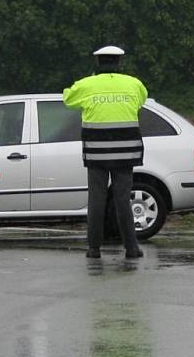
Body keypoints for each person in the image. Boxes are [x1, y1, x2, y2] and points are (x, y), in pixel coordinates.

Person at [63, 45, 148, 259]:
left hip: (96, 154)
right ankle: (131, 248)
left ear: (97, 62)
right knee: (122, 201)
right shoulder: (134, 84)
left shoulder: (86, 85)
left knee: (97, 200)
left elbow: (67, 99)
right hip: (125, 154)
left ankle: (94, 249)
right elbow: (141, 101)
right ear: (120, 62)